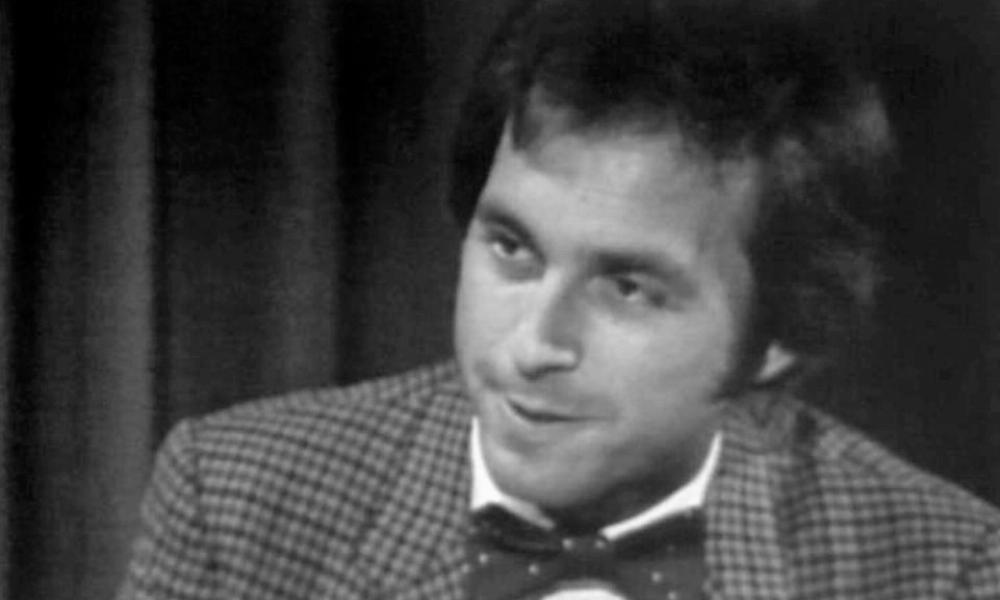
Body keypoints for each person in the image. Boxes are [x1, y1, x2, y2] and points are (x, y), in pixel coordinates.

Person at [117, 0, 1000, 598]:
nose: (533, 345)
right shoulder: (235, 500)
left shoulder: (941, 568)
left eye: (628, 288)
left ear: (777, 339)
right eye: (512, 249)